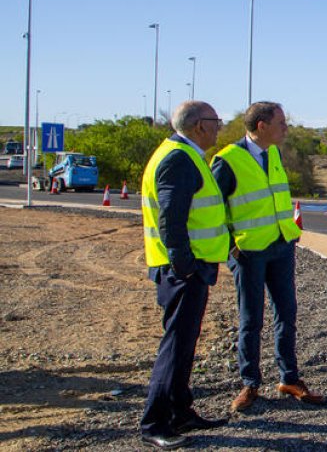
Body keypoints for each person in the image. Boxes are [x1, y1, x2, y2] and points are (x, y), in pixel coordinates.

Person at [211, 102, 326, 412]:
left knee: (286, 313)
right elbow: (212, 209)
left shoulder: (273, 153)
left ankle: (289, 378)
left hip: (280, 245)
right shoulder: (227, 160)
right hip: (248, 252)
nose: (286, 128)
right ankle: (250, 383)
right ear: (261, 126)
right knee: (251, 320)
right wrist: (229, 247)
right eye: (281, 123)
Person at [139, 101, 231, 449]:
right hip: (181, 271)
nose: (219, 127)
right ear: (198, 126)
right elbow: (170, 219)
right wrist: (184, 266)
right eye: (215, 121)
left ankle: (180, 411)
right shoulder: (178, 159)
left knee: (184, 342)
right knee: (176, 345)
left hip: (188, 268)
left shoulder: (185, 154)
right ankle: (154, 423)